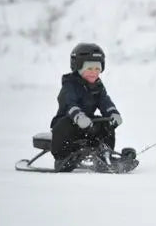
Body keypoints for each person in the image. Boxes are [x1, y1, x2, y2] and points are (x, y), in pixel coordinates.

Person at [50, 43, 124, 171]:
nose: (94, 73)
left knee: (106, 123)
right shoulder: (70, 85)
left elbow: (105, 102)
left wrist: (113, 114)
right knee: (65, 125)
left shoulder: (98, 86)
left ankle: (105, 154)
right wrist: (78, 117)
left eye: (97, 69)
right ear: (78, 67)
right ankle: (62, 158)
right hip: (68, 122)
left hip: (88, 124)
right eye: (89, 69)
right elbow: (69, 104)